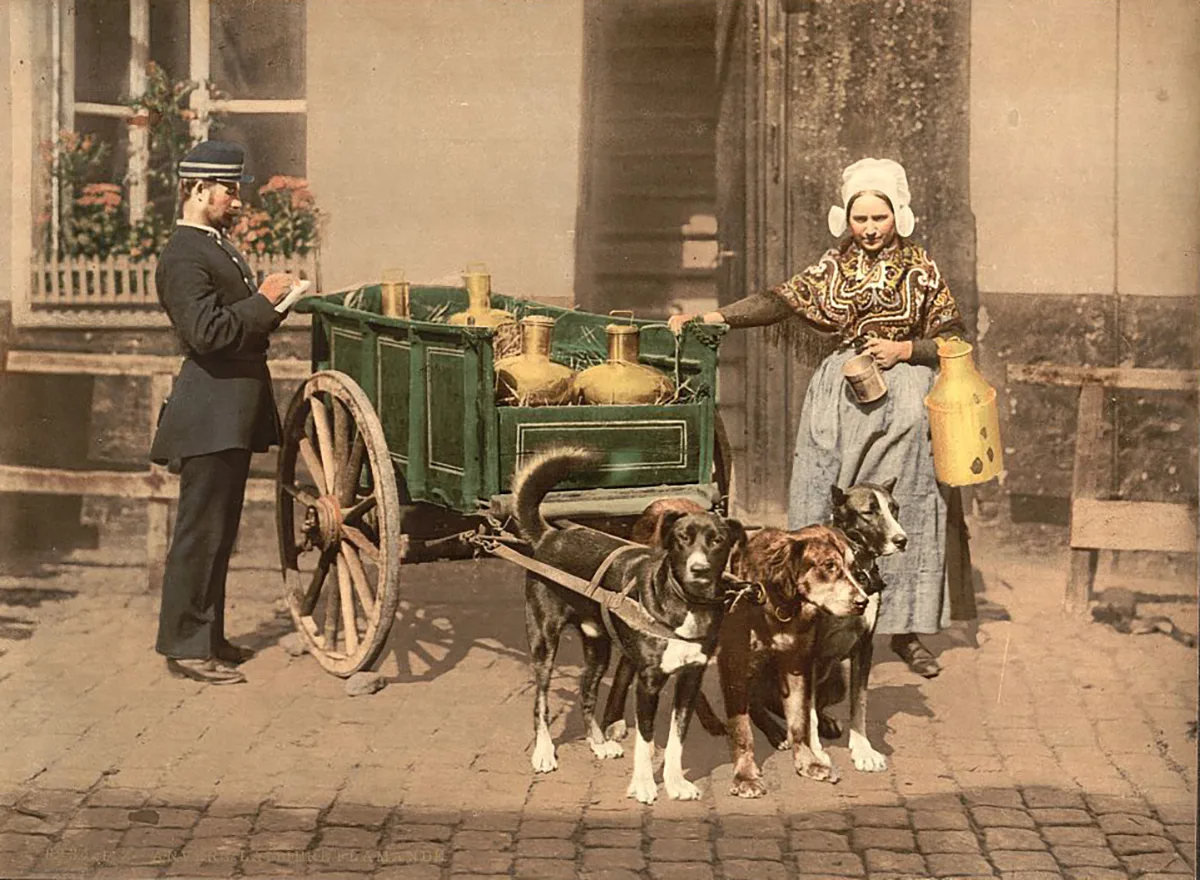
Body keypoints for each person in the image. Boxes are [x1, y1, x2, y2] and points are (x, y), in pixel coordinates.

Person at [670, 157, 975, 678]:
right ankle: (819, 626)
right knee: (824, 501)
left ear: (897, 216)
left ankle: (905, 629)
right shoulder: (832, 269)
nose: (871, 229)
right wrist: (714, 316)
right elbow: (778, 301)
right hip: (839, 397)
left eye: (880, 218)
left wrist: (905, 348)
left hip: (906, 406)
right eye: (861, 219)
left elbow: (955, 338)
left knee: (906, 513)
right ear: (847, 220)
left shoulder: (923, 271)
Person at [150, 140, 297, 685]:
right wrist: (263, 300)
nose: (237, 202)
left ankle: (207, 636)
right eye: (228, 191)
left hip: (229, 412)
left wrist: (275, 303)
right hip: (208, 413)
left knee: (218, 533)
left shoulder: (214, 245)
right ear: (196, 189)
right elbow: (208, 333)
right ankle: (185, 647)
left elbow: (238, 328)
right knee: (200, 533)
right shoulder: (183, 254)